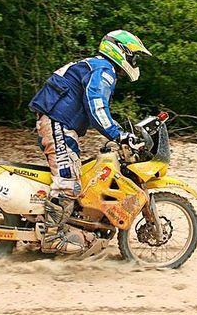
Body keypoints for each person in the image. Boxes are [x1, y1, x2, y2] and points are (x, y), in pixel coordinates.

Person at [28, 29, 152, 254]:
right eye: (133, 55)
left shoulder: (95, 66)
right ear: (121, 51)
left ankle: (61, 225)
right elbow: (96, 106)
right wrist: (118, 134)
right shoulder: (104, 70)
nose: (134, 62)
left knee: (79, 173)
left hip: (61, 124)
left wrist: (116, 133)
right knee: (68, 181)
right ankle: (53, 236)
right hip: (59, 122)